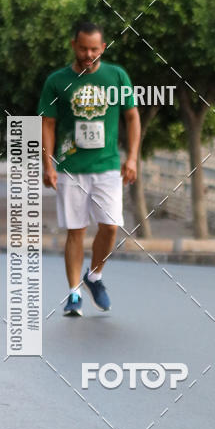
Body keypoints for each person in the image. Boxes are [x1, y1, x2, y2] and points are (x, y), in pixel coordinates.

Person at [38, 20, 140, 315]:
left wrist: (132, 158)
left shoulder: (117, 76)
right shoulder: (57, 81)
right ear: (74, 45)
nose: (88, 54)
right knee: (76, 231)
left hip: (107, 166)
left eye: (94, 49)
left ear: (103, 48)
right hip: (71, 167)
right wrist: (49, 164)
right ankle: (73, 295)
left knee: (110, 227)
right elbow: (48, 124)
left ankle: (94, 276)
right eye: (83, 48)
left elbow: (132, 118)